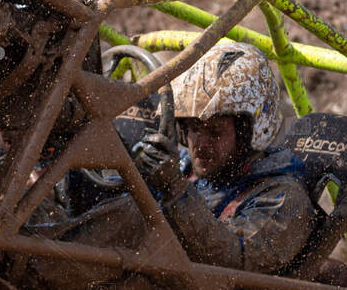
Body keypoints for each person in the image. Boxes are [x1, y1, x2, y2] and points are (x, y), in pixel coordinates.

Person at [130, 41, 313, 275]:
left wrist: (174, 189)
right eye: (194, 128)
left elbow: (233, 259)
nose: (201, 144)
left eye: (216, 132)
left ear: (248, 134)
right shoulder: (184, 167)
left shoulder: (284, 196)